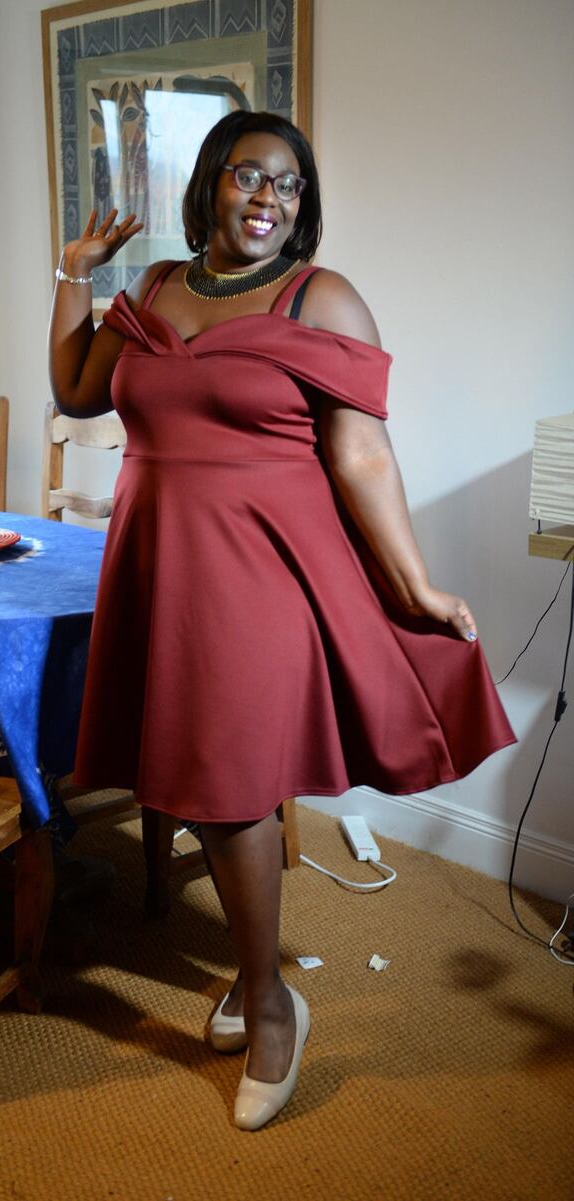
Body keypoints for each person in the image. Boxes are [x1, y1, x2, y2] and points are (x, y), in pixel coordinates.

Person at [47, 109, 514, 1131]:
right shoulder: (157, 286)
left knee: (224, 785)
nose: (267, 200)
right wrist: (71, 274)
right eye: (247, 177)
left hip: (258, 575)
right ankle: (254, 983)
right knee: (180, 768)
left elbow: (359, 456)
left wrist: (416, 583)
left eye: (288, 186)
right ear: (209, 184)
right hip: (158, 562)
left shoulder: (323, 299)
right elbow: (78, 390)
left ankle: (266, 1002)